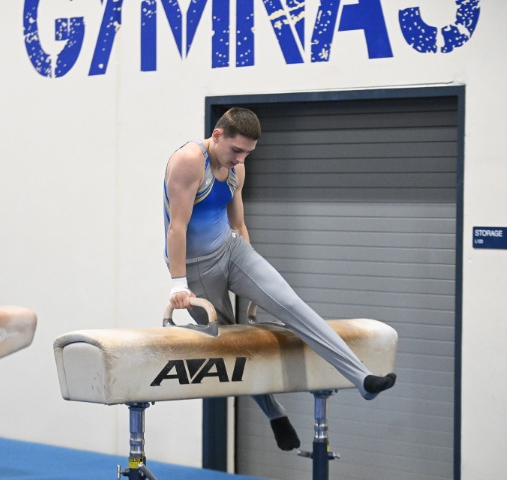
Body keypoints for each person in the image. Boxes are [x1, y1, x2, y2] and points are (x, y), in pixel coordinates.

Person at [163, 107, 396, 451]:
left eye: (247, 153)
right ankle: (274, 413)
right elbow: (177, 227)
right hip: (195, 265)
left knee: (290, 304)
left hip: (231, 250)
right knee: (229, 344)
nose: (240, 159)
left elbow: (238, 224)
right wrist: (178, 284)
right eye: (236, 150)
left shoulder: (236, 168)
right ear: (217, 135)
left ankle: (362, 378)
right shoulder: (189, 161)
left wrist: (252, 276)